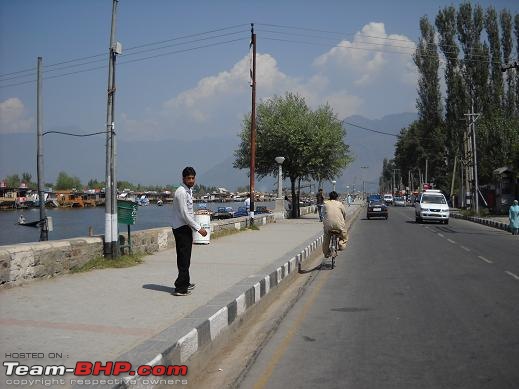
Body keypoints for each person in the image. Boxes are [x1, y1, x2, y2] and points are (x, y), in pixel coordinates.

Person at [171, 166, 207, 296]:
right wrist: (199, 228)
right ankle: (180, 288)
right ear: (183, 179)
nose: (191, 180)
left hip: (186, 227)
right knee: (183, 258)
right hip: (181, 228)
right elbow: (185, 214)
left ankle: (185, 282)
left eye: (193, 178)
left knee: (186, 257)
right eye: (188, 178)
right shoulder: (181, 192)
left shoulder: (188, 190)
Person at [322, 191, 348, 257]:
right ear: (337, 197)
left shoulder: (326, 204)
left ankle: (326, 253)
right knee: (344, 236)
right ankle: (341, 245)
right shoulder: (340, 204)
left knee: (326, 238)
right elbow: (344, 213)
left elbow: (323, 214)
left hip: (328, 226)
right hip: (339, 225)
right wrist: (343, 220)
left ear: (329, 197)